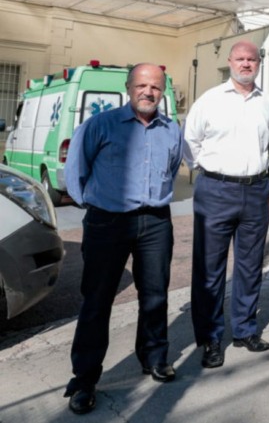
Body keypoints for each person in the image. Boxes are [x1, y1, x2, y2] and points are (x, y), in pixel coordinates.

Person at [62, 64, 183, 415]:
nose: (148, 92)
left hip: (155, 221)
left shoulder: (171, 130)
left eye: (156, 87)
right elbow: (76, 173)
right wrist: (99, 207)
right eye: (142, 85)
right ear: (128, 88)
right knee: (97, 301)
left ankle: (155, 358)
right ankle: (84, 380)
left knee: (156, 294)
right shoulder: (100, 125)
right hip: (107, 222)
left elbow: (172, 168)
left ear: (163, 92)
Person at [183, 40, 269, 368]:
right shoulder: (209, 100)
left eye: (252, 59)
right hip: (216, 190)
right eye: (240, 58)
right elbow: (189, 143)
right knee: (210, 270)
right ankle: (210, 338)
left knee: (251, 267)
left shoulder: (267, 103)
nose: (246, 64)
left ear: (258, 63)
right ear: (230, 61)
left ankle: (245, 330)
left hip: (255, 192)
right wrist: (211, 172)